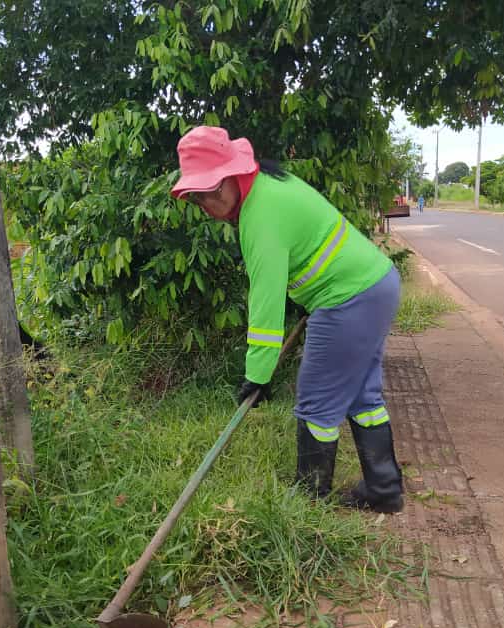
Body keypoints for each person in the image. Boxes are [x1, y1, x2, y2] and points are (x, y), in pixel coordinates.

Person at [171, 126, 404, 513]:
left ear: (231, 176)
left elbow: (266, 298)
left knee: (316, 403)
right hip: (375, 284)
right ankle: (383, 490)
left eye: (209, 193)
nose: (207, 207)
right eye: (197, 199)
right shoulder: (270, 185)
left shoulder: (259, 215)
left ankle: (308, 507)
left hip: (348, 297)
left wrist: (257, 376)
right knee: (363, 394)